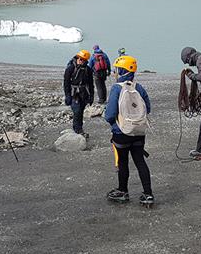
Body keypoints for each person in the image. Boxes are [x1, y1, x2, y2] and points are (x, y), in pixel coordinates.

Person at [103, 55, 155, 207]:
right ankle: (148, 194)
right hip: (139, 131)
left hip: (121, 133)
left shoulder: (116, 88)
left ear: (121, 70)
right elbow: (148, 108)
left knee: (123, 162)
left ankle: (123, 191)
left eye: (116, 69)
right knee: (140, 161)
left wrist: (115, 124)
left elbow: (110, 114)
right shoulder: (139, 87)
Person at [64, 50, 95, 135]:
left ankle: (79, 129)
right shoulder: (70, 68)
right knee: (77, 111)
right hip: (74, 94)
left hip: (84, 93)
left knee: (80, 112)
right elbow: (66, 83)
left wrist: (91, 96)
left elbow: (91, 84)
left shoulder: (88, 70)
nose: (80, 60)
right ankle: (77, 130)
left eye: (82, 59)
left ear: (86, 61)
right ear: (77, 57)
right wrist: (67, 96)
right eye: (79, 58)